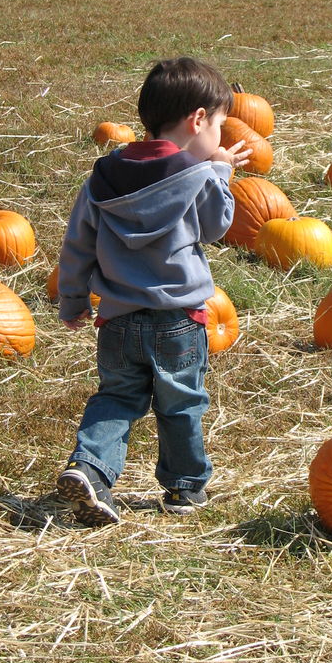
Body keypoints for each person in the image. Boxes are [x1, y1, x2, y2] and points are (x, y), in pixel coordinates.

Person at [55, 57, 252, 525]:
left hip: (118, 320)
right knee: (181, 402)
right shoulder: (199, 174)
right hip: (178, 322)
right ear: (197, 119)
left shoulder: (104, 177)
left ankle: (90, 469)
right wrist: (220, 172)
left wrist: (73, 298)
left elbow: (78, 241)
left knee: (117, 397)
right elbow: (216, 228)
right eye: (220, 125)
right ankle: (185, 489)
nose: (220, 138)